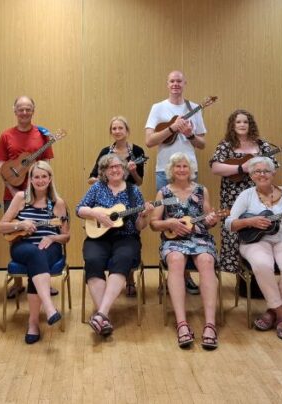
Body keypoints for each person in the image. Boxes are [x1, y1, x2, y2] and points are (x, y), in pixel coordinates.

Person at [225, 157, 282, 341]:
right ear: (251, 176)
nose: (262, 174)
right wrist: (249, 221)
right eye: (257, 172)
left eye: (266, 171)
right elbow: (229, 224)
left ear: (273, 173)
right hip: (255, 241)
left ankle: (273, 311)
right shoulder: (246, 195)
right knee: (262, 264)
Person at [77, 154, 153, 337]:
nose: (115, 169)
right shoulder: (97, 187)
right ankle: (105, 317)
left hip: (126, 237)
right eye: (110, 167)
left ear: (124, 169)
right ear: (103, 171)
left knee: (123, 259)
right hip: (98, 238)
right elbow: (79, 209)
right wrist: (98, 215)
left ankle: (101, 314)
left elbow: (139, 227)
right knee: (93, 260)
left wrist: (143, 216)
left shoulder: (133, 191)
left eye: (118, 166)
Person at [149, 152, 219, 349]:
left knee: (206, 261)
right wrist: (168, 222)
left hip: (199, 237)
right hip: (173, 241)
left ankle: (210, 324)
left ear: (191, 170)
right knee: (176, 260)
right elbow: (154, 224)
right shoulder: (163, 193)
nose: (181, 170)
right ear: (171, 170)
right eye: (177, 166)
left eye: (185, 166)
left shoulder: (201, 190)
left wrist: (212, 219)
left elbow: (208, 219)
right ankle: (182, 324)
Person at [145, 70, 206, 295]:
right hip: (164, 171)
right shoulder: (158, 108)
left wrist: (189, 134)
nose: (175, 84)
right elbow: (149, 141)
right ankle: (172, 270)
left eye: (179, 81)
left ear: (185, 83)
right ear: (167, 83)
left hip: (189, 172)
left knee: (188, 219)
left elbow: (201, 145)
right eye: (172, 81)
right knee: (166, 219)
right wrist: (172, 128)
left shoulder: (194, 108)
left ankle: (185, 274)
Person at [0, 161, 69, 344]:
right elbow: (1, 227)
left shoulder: (58, 203)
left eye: (44, 176)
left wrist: (53, 238)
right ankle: (49, 307)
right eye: (36, 176)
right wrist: (19, 224)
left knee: (38, 259)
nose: (40, 180)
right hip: (23, 246)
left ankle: (33, 323)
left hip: (50, 247)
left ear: (50, 178)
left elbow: (66, 236)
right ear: (30, 179)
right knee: (34, 254)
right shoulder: (21, 197)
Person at [0, 96, 56, 299]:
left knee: (44, 230)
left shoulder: (42, 134)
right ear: (14, 111)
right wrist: (15, 194)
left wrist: (44, 189)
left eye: (28, 109)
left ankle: (44, 278)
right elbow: (1, 166)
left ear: (33, 111)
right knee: (15, 234)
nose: (24, 112)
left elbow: (47, 165)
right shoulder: (6, 135)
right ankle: (18, 281)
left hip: (39, 194)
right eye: (21, 109)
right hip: (12, 193)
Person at [210, 109, 279, 276]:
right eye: (238, 122)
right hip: (232, 194)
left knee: (257, 226)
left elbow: (274, 166)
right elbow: (215, 167)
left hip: (259, 193)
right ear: (232, 125)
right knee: (235, 226)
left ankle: (258, 269)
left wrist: (260, 170)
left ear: (251, 125)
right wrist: (242, 168)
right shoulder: (226, 144)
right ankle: (238, 273)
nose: (242, 125)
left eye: (245, 122)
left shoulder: (262, 144)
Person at [88, 116, 146, 297]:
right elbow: (91, 177)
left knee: (127, 238)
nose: (117, 131)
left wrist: (133, 171)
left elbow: (140, 182)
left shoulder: (137, 151)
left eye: (121, 128)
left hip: (128, 197)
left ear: (127, 131)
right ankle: (104, 285)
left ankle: (128, 279)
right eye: (114, 128)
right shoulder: (105, 151)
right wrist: (102, 181)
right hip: (107, 197)